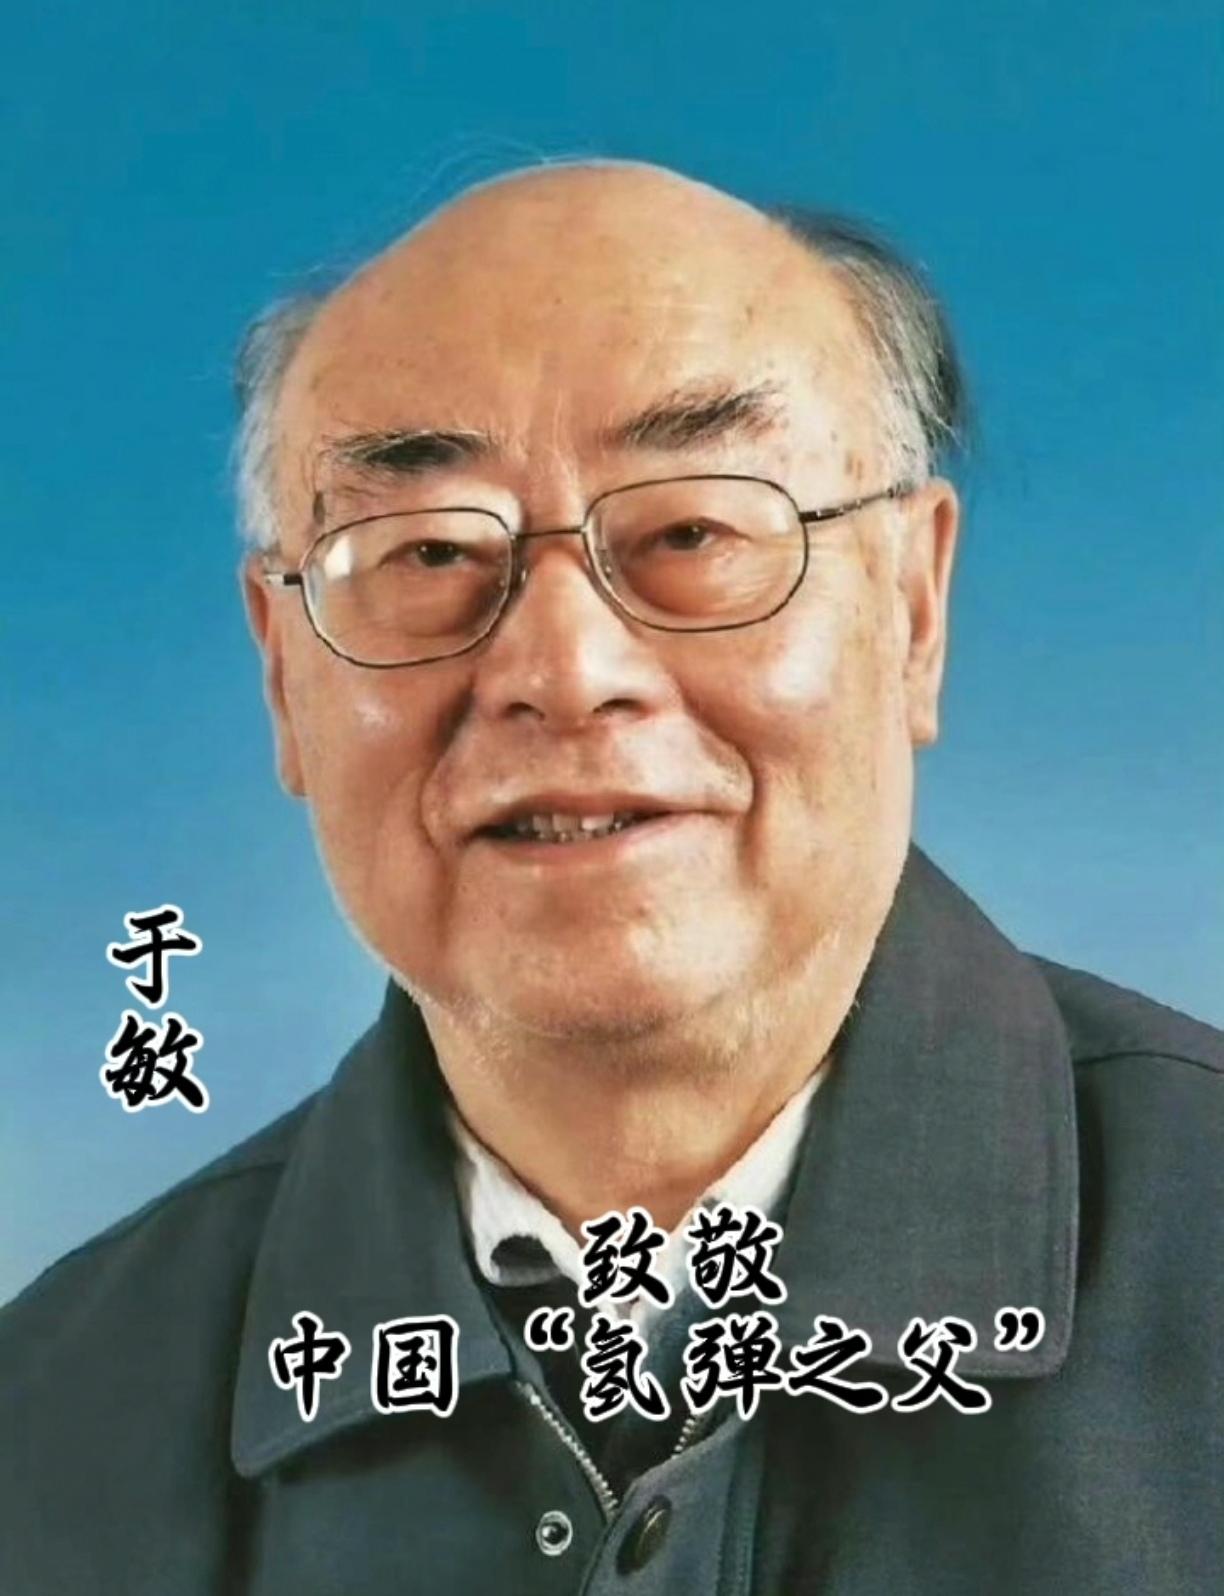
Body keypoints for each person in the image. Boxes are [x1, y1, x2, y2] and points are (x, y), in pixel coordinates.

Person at [2, 160, 1220, 1595]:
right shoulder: (54, 1422)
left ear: (913, 605)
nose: (565, 671)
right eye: (429, 551)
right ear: (282, 672)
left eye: (693, 531)